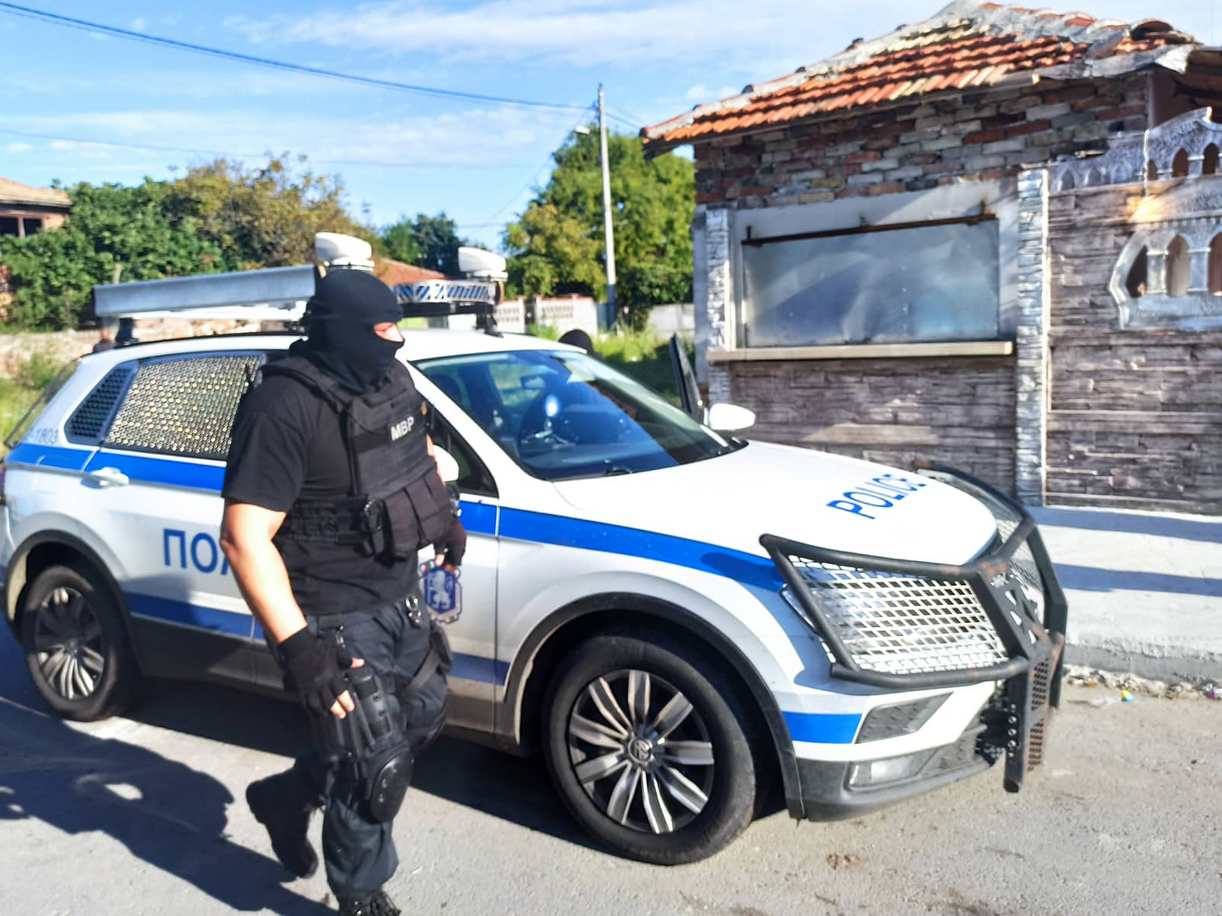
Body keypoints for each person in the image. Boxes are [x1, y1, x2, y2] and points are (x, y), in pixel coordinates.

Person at [219, 267, 465, 916]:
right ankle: (360, 895)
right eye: (381, 330)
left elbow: (416, 451)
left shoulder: (391, 378)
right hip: (330, 611)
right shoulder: (282, 406)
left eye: (396, 329)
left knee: (421, 717)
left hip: (398, 590)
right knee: (372, 758)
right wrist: (301, 650)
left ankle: (286, 798)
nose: (394, 341)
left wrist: (443, 517)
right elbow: (244, 537)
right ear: (341, 332)